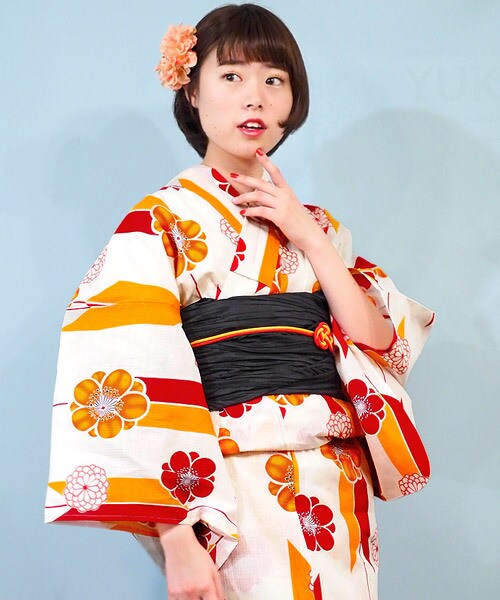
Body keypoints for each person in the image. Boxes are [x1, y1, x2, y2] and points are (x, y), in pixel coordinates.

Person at [45, 4, 435, 599]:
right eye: (231, 76)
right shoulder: (160, 221)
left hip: (338, 488)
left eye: (274, 80)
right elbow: (126, 365)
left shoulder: (320, 228)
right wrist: (177, 539)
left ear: (292, 101)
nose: (255, 96)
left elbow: (380, 345)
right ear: (192, 92)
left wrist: (309, 238)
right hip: (229, 494)